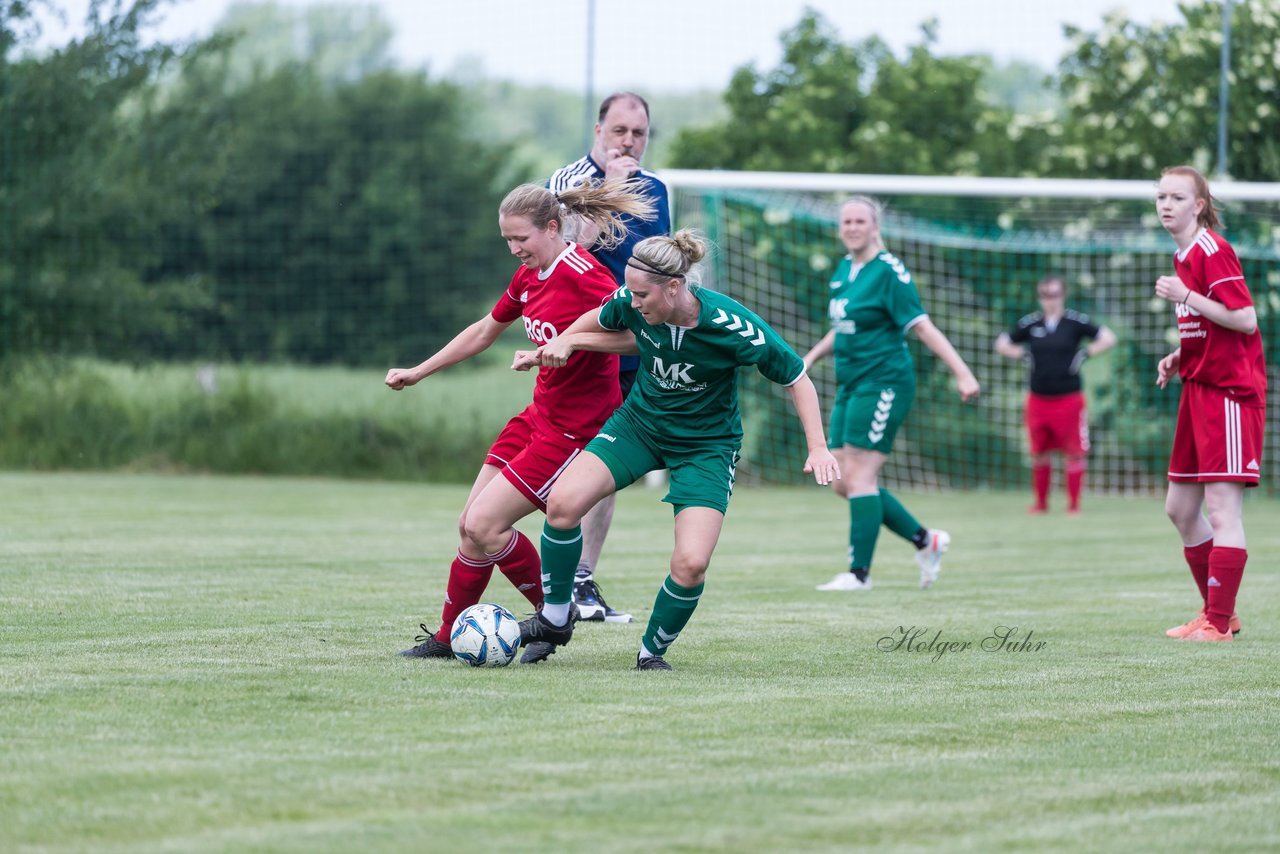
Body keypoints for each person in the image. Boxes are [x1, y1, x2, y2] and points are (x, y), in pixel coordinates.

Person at [511, 230, 839, 670]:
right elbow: (597, 318)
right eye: (631, 291)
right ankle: (554, 618)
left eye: (643, 294)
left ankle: (650, 654)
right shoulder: (631, 299)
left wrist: (818, 447)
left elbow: (796, 377)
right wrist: (562, 343)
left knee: (691, 564)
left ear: (674, 286)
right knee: (562, 504)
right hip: (639, 426)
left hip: (705, 446)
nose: (634, 301)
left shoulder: (732, 326)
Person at [387, 180, 655, 661]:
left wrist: (573, 342)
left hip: (575, 430)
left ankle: (552, 618)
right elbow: (486, 330)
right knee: (471, 527)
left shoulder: (585, 275)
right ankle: (452, 637)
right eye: (507, 241)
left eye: (521, 239)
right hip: (538, 417)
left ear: (551, 229)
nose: (514, 250)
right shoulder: (530, 276)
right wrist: (420, 370)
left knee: (487, 526)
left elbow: (640, 337)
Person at [804, 196, 980, 593]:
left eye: (859, 221)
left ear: (874, 226)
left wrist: (963, 373)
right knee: (841, 482)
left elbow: (922, 326)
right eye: (846, 221)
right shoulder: (845, 269)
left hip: (884, 382)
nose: (851, 227)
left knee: (861, 477)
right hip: (851, 384)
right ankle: (925, 540)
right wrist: (810, 357)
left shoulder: (890, 271)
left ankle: (859, 574)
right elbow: (846, 326)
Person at [546, 91, 672, 626]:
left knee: (610, 461)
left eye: (638, 134)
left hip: (632, 341)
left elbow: (660, 260)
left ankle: (582, 582)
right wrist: (609, 194)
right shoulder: (564, 183)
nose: (628, 142)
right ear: (598, 130)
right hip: (578, 337)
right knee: (570, 455)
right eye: (619, 131)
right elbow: (565, 255)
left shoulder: (657, 190)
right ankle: (551, 578)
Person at [1153, 165, 1265, 643]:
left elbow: (1244, 319)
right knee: (1180, 508)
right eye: (1161, 196)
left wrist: (1188, 297)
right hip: (1198, 388)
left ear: (1198, 205)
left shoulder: (1211, 250)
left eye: (1177, 197)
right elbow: (1212, 327)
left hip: (1230, 393)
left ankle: (1218, 623)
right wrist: (1183, 353)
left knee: (1222, 512)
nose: (1166, 205)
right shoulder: (1182, 256)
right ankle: (1217, 612)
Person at [995, 276, 1117, 514]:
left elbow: (1108, 338)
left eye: (1054, 295)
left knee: (1073, 453)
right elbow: (1002, 343)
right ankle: (1040, 504)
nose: (1049, 300)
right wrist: (1023, 355)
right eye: (1045, 295)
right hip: (1038, 399)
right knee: (1039, 453)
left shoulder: (1075, 322)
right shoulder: (1031, 323)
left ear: (1063, 295)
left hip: (1069, 399)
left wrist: (1085, 353)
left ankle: (1073, 505)